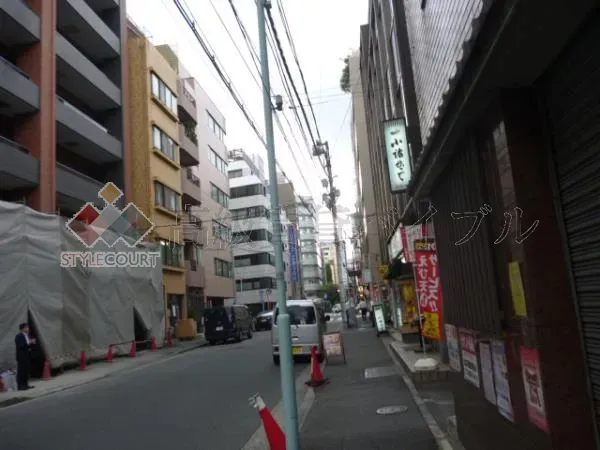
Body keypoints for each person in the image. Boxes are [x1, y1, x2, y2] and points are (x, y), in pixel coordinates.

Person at [15, 323, 36, 391]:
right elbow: (20, 346)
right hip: (21, 356)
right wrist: (29, 342)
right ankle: (20, 385)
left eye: (28, 327)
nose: (28, 328)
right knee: (21, 371)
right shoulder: (19, 336)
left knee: (26, 370)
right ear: (22, 329)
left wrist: (32, 343)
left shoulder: (27, 335)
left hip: (27, 355)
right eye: (26, 327)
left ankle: (26, 384)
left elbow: (28, 345)